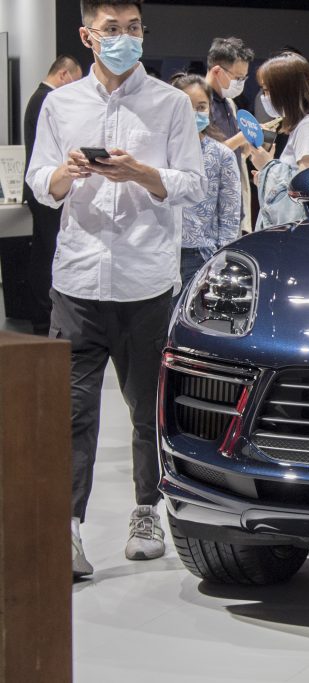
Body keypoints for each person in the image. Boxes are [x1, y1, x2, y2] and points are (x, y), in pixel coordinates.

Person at [25, 0, 204, 577]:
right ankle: (67, 530)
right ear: (87, 35)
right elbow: (40, 180)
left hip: (146, 280)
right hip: (76, 279)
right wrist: (68, 172)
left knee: (147, 409)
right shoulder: (60, 102)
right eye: (112, 30)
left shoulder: (171, 104)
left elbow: (192, 184)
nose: (124, 38)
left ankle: (145, 511)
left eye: (133, 29)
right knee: (70, 413)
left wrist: (140, 173)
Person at [22, 55, 82, 335]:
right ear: (63, 75)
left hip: (45, 188)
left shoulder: (38, 98)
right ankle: (44, 315)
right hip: (48, 189)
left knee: (44, 251)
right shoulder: (46, 100)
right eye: (75, 79)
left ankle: (42, 315)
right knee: (47, 253)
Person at [248, 52, 309, 229]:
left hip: (302, 234)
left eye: (267, 90)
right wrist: (266, 178)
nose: (263, 96)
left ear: (285, 91)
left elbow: (307, 192)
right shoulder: (306, 126)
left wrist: (267, 166)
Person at [170, 74, 241, 287]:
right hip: (161, 252)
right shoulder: (160, 151)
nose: (195, 113)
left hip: (200, 256)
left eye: (201, 107)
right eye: (187, 106)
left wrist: (222, 259)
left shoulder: (221, 155)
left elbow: (229, 213)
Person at [203, 37, 254, 230]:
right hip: (208, 212)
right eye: (238, 78)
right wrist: (240, 138)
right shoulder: (198, 102)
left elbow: (231, 154)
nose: (241, 83)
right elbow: (200, 156)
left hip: (231, 208)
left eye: (244, 78)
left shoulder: (229, 104)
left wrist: (247, 148)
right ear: (217, 71)